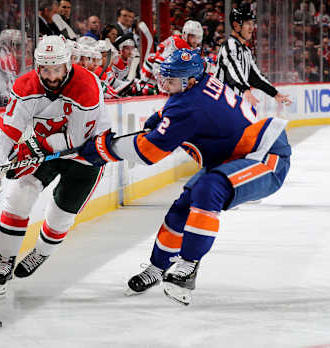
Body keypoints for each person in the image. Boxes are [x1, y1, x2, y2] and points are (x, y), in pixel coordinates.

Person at [77, 49, 291, 305]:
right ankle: (158, 268)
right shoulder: (194, 88)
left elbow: (148, 152)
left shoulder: (190, 105)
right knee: (182, 208)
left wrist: (104, 148)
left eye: (172, 80)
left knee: (209, 189)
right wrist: (159, 119)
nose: (165, 84)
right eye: (164, 77)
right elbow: (174, 112)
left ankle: (188, 266)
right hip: (235, 157)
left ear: (190, 80)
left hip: (265, 156)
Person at [0, 35, 112, 295]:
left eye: (57, 69)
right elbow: (6, 129)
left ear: (67, 65)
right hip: (46, 148)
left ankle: (41, 253)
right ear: (37, 66)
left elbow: (77, 139)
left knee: (60, 217)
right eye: (45, 69)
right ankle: (5, 261)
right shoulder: (26, 86)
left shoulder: (87, 85)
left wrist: (34, 147)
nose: (51, 76)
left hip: (85, 157)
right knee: (19, 195)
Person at [216, 5, 291, 108]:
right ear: (236, 25)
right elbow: (234, 70)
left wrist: (275, 94)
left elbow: (256, 77)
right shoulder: (229, 45)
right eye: (247, 23)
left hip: (232, 105)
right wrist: (246, 90)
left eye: (252, 23)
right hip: (220, 104)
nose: (252, 28)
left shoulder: (246, 50)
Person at [141, 20, 203, 86]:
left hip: (159, 71)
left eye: (198, 37)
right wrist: (164, 85)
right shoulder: (178, 44)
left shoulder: (183, 43)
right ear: (185, 34)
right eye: (193, 36)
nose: (196, 40)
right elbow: (158, 64)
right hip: (151, 76)